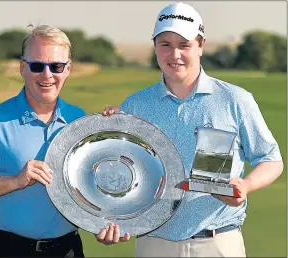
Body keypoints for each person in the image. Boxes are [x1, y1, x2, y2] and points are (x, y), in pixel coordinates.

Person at [97, 2, 283, 257]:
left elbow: (271, 159)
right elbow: (119, 172)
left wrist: (247, 185)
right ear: (155, 47)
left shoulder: (234, 99)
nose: (174, 55)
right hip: (154, 243)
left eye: (184, 45)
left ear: (201, 45)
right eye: (166, 45)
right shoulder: (135, 105)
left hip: (218, 243)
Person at [0, 25, 87, 257]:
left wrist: (106, 221)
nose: (47, 75)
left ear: (68, 69)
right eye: (37, 66)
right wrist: (15, 180)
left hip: (69, 249)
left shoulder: (80, 120)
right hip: (9, 249)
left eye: (56, 66)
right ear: (22, 68)